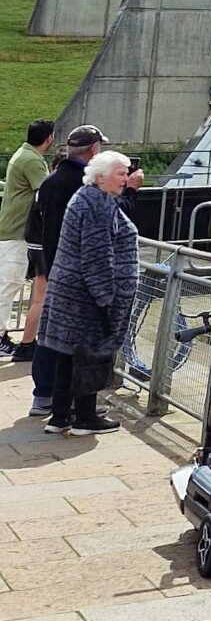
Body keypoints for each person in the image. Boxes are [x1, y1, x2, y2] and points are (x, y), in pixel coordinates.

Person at [38, 147, 140, 435]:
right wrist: (105, 298)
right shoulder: (98, 205)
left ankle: (60, 416)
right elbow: (97, 256)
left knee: (69, 354)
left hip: (72, 291)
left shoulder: (88, 197)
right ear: (101, 177)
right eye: (120, 173)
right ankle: (84, 417)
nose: (126, 178)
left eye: (127, 173)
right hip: (86, 297)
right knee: (90, 354)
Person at [0, 121, 53, 357]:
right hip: (17, 232)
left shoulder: (23, 154)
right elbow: (48, 190)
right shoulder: (32, 160)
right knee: (8, 285)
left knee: (6, 285)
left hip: (10, 229)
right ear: (49, 138)